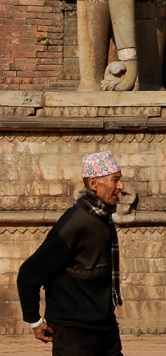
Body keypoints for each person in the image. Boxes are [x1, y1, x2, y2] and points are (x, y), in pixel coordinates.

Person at [17, 150, 125, 355]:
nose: (121, 186)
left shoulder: (102, 216)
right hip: (74, 334)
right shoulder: (74, 223)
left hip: (105, 329)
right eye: (115, 180)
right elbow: (29, 273)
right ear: (93, 184)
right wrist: (34, 320)